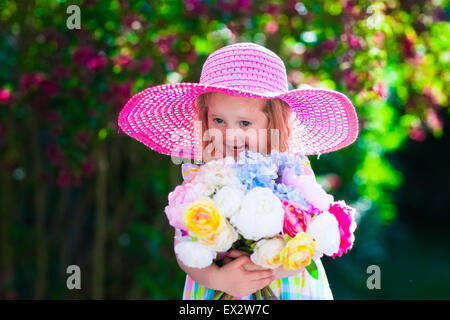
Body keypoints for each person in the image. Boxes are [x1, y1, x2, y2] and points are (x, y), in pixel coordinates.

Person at [117, 42, 359, 299]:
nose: (229, 134)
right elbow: (184, 248)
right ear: (205, 117)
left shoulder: (291, 170)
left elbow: (316, 239)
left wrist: (273, 270)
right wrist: (219, 279)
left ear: (273, 122)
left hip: (287, 288)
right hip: (222, 288)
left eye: (244, 123)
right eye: (218, 120)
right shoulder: (202, 177)